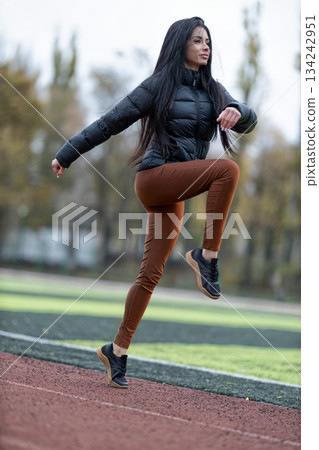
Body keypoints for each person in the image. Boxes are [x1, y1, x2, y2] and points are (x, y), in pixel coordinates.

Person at [52, 17, 257, 389]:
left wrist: (239, 111)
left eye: (208, 41)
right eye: (197, 41)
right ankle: (207, 257)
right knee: (226, 170)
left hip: (176, 188)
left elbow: (246, 118)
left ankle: (117, 349)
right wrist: (67, 153)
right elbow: (109, 123)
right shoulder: (159, 85)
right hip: (155, 178)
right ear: (180, 45)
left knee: (150, 275)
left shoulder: (213, 90)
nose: (205, 47)